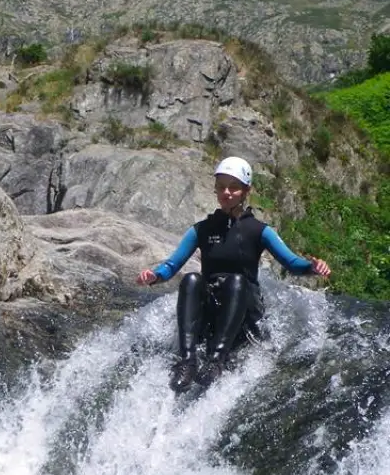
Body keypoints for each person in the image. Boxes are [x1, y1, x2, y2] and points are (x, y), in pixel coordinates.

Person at [136, 157, 331, 391]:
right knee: (191, 279)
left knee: (236, 280)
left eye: (234, 187)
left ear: (245, 191)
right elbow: (172, 265)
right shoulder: (202, 229)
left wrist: (312, 266)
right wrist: (155, 276)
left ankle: (216, 361)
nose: (226, 192)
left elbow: (292, 263)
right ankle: (187, 362)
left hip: (244, 310)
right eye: (221, 186)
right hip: (214, 307)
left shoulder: (260, 230)